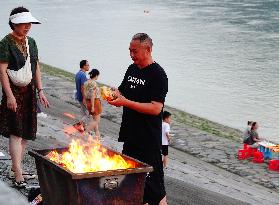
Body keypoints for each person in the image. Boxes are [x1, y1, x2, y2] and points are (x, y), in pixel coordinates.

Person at [109, 33, 168, 205]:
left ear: (148, 49)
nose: (131, 55)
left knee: (155, 188)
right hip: (130, 136)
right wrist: (115, 94)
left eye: (135, 51)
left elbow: (156, 108)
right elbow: (123, 93)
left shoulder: (158, 74)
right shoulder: (131, 69)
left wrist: (126, 102)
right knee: (132, 183)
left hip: (149, 140)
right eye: (130, 51)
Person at [0, 6, 49, 188]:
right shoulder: (5, 43)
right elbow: (2, 72)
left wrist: (40, 90)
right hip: (14, 91)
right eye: (23, 23)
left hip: (29, 92)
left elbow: (35, 66)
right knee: (15, 133)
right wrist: (9, 96)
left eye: (29, 23)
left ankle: (16, 167)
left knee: (26, 133)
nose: (28, 26)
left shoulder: (32, 42)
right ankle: (18, 173)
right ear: (14, 23)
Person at [84, 69, 102, 136]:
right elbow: (93, 94)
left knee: (95, 120)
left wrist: (87, 104)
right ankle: (85, 132)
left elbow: (85, 94)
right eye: (98, 76)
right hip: (94, 102)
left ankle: (98, 137)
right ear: (96, 75)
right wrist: (92, 106)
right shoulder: (93, 83)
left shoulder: (86, 82)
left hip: (88, 101)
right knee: (96, 121)